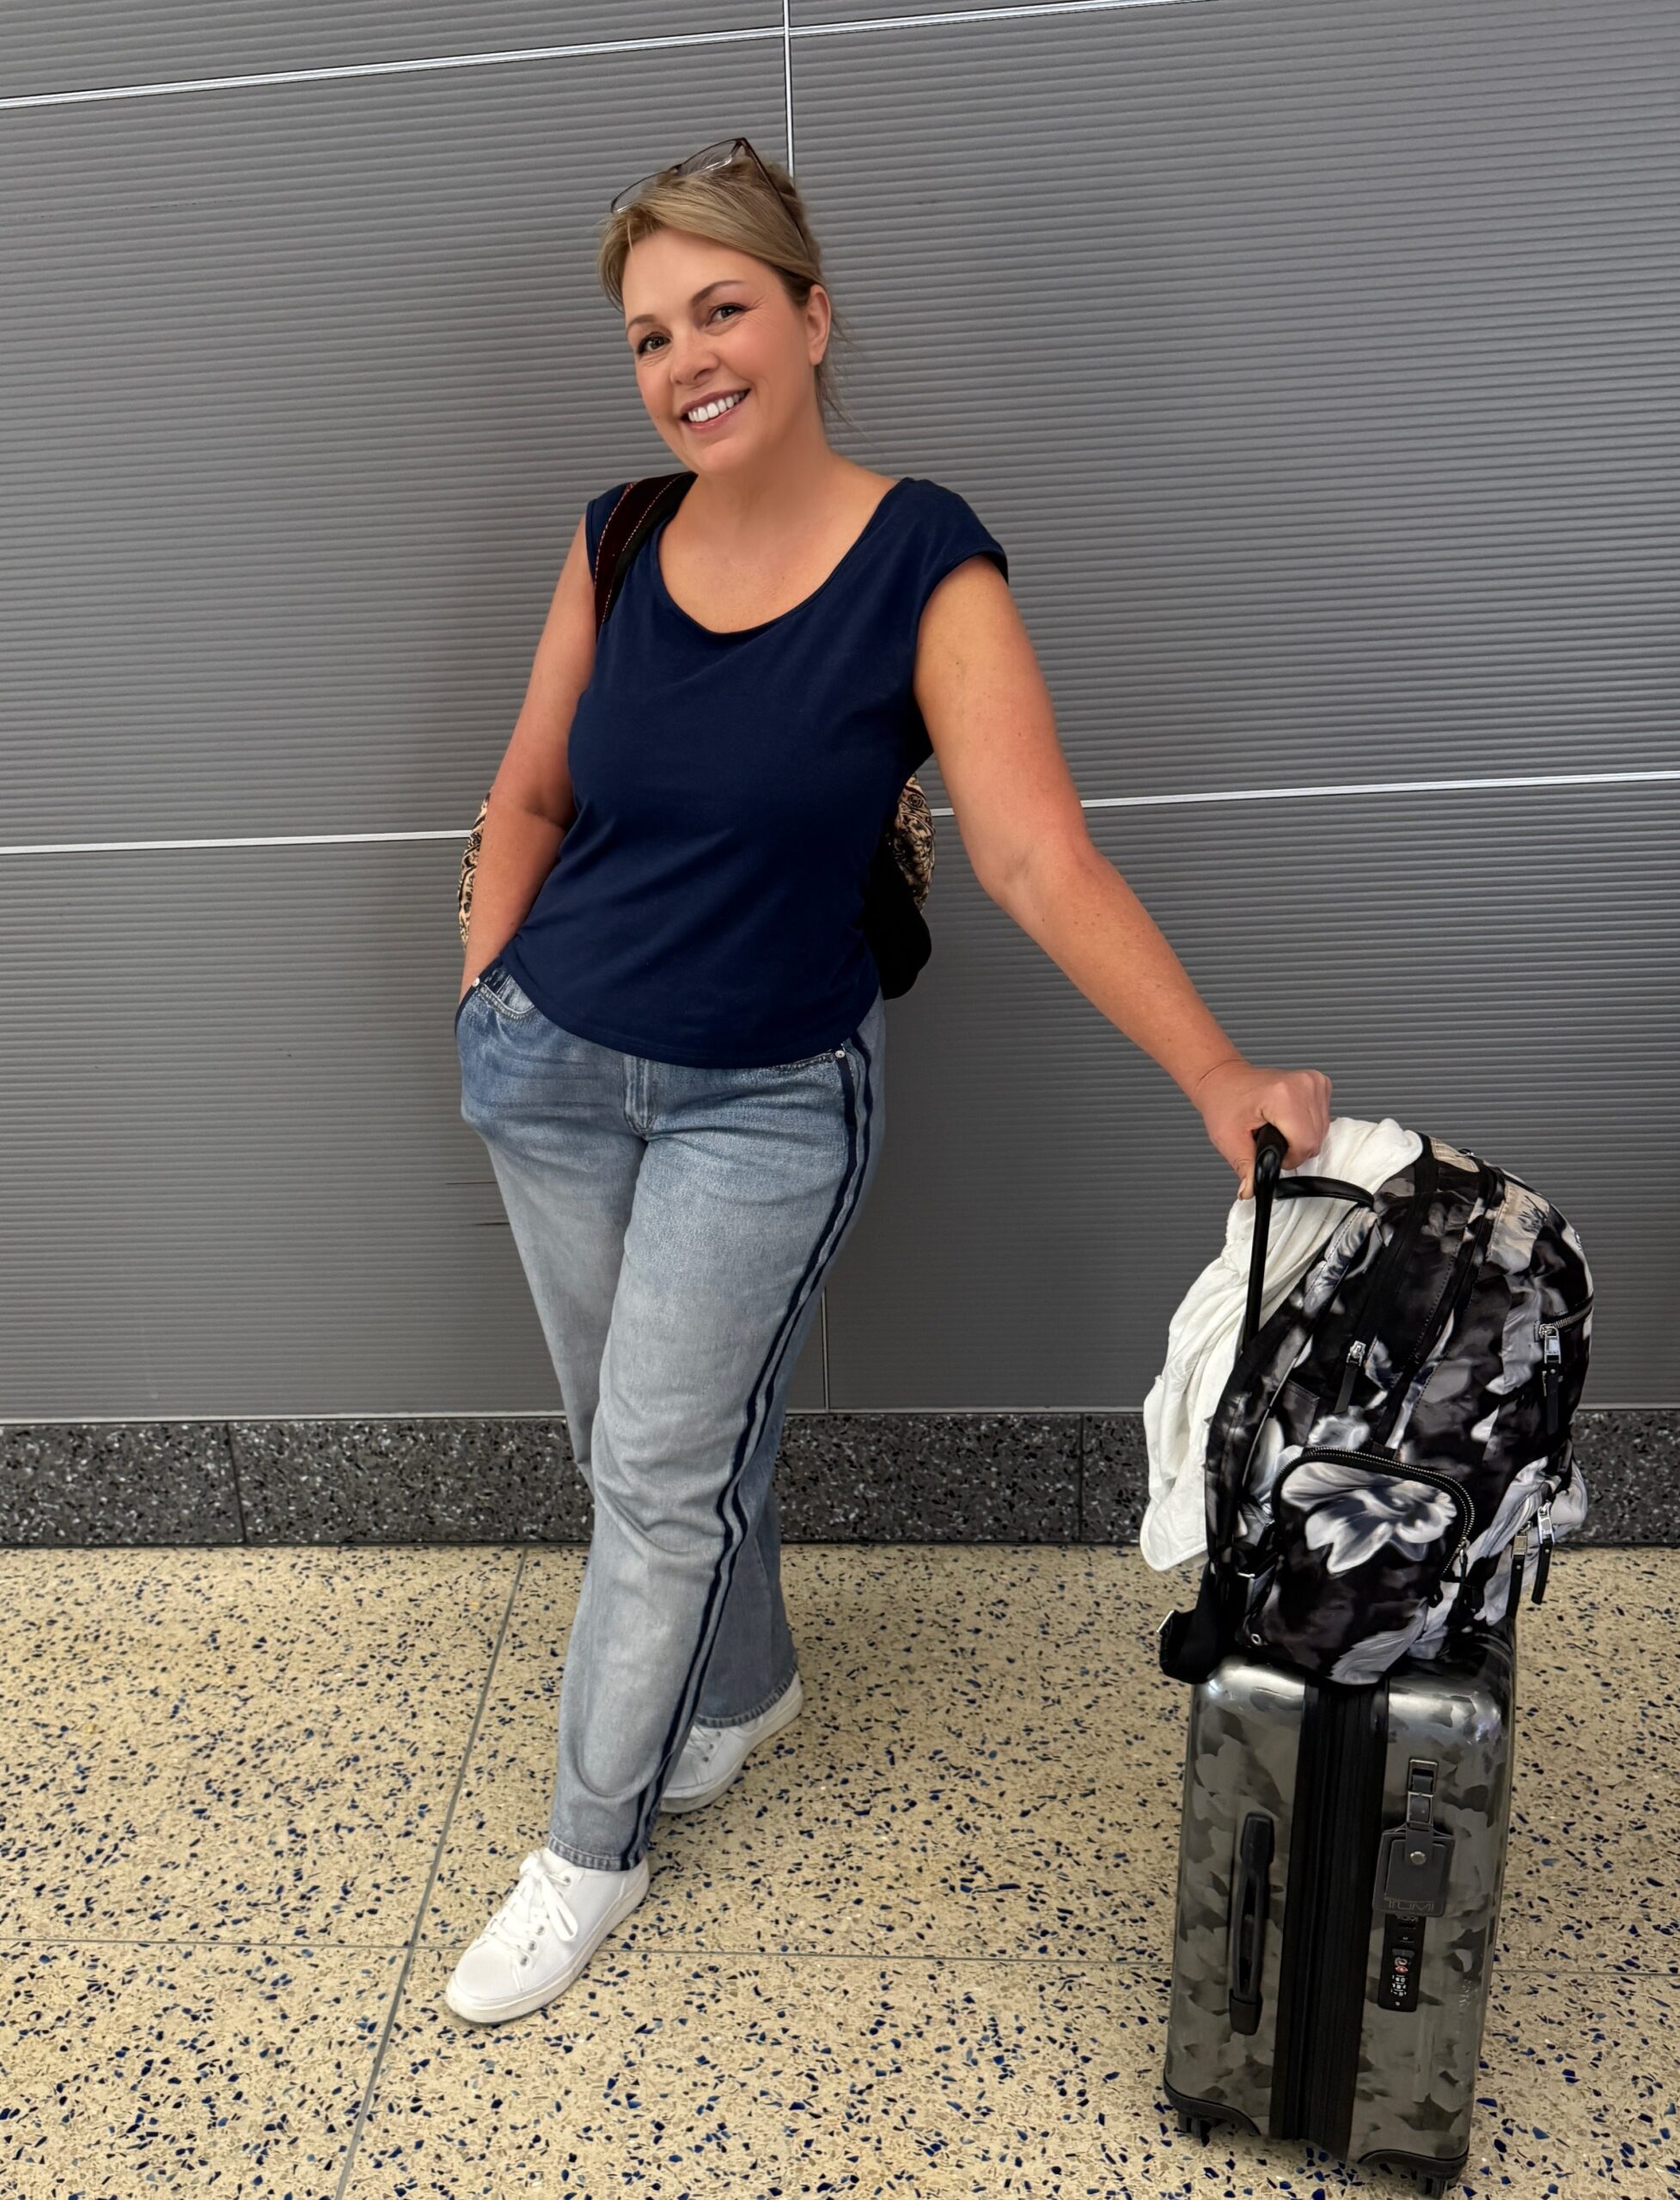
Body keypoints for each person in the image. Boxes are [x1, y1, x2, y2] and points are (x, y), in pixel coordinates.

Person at [443, 140, 1332, 2027]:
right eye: (651, 332)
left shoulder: (923, 552)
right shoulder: (613, 533)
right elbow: (529, 795)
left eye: (723, 309)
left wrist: (1214, 1064)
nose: (688, 359)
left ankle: (583, 1849)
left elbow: (1033, 855)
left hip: (760, 1099)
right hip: (552, 1072)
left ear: (813, 314)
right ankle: (741, 1680)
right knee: (638, 1456)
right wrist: (486, 998)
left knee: (661, 1475)